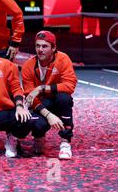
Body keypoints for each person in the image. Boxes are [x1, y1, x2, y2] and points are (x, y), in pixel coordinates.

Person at [22, 31, 77, 160]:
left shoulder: (63, 59)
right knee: (37, 124)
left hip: (57, 101)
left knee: (64, 98)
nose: (40, 50)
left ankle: (65, 142)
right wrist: (49, 115)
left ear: (53, 48)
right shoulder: (27, 66)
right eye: (37, 46)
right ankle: (39, 137)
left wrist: (42, 88)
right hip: (41, 105)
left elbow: (70, 85)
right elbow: (30, 97)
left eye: (44, 46)